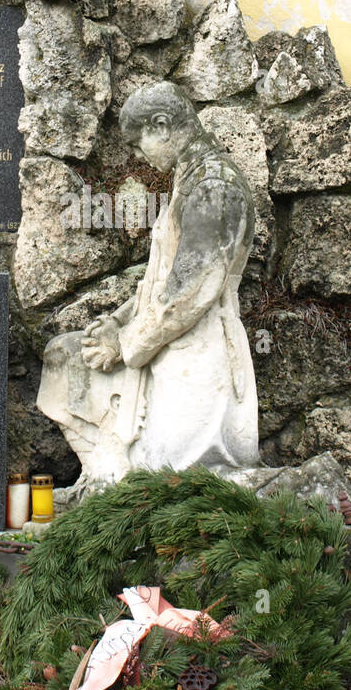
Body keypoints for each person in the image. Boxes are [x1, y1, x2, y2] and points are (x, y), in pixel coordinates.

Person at [37, 81, 259, 501]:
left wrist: (123, 343)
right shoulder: (192, 181)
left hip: (197, 358)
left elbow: (190, 291)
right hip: (168, 345)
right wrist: (119, 320)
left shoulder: (214, 185)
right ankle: (101, 479)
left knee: (172, 485)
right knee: (65, 357)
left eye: (140, 146)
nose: (140, 159)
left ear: (162, 125)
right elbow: (161, 277)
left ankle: (111, 490)